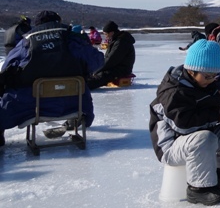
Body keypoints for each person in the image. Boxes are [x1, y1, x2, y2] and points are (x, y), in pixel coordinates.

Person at [148, 40, 220, 206]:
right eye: (207, 76)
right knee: (204, 139)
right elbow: (182, 124)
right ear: (191, 71)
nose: (212, 80)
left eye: (215, 76)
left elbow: (214, 106)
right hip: (171, 145)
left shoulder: (205, 83)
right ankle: (198, 189)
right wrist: (215, 117)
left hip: (197, 137)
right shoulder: (174, 91)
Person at [0, 11, 103, 147]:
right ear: (58, 22)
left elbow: (6, 69)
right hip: (76, 104)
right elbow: (98, 61)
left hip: (30, 105)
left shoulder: (26, 43)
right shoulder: (73, 39)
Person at [88, 21, 136, 89]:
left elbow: (112, 60)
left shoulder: (121, 42)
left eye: (106, 34)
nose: (105, 36)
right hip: (115, 67)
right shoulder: (116, 40)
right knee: (95, 73)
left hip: (122, 69)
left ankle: (84, 87)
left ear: (112, 33)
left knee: (101, 76)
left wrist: (98, 70)